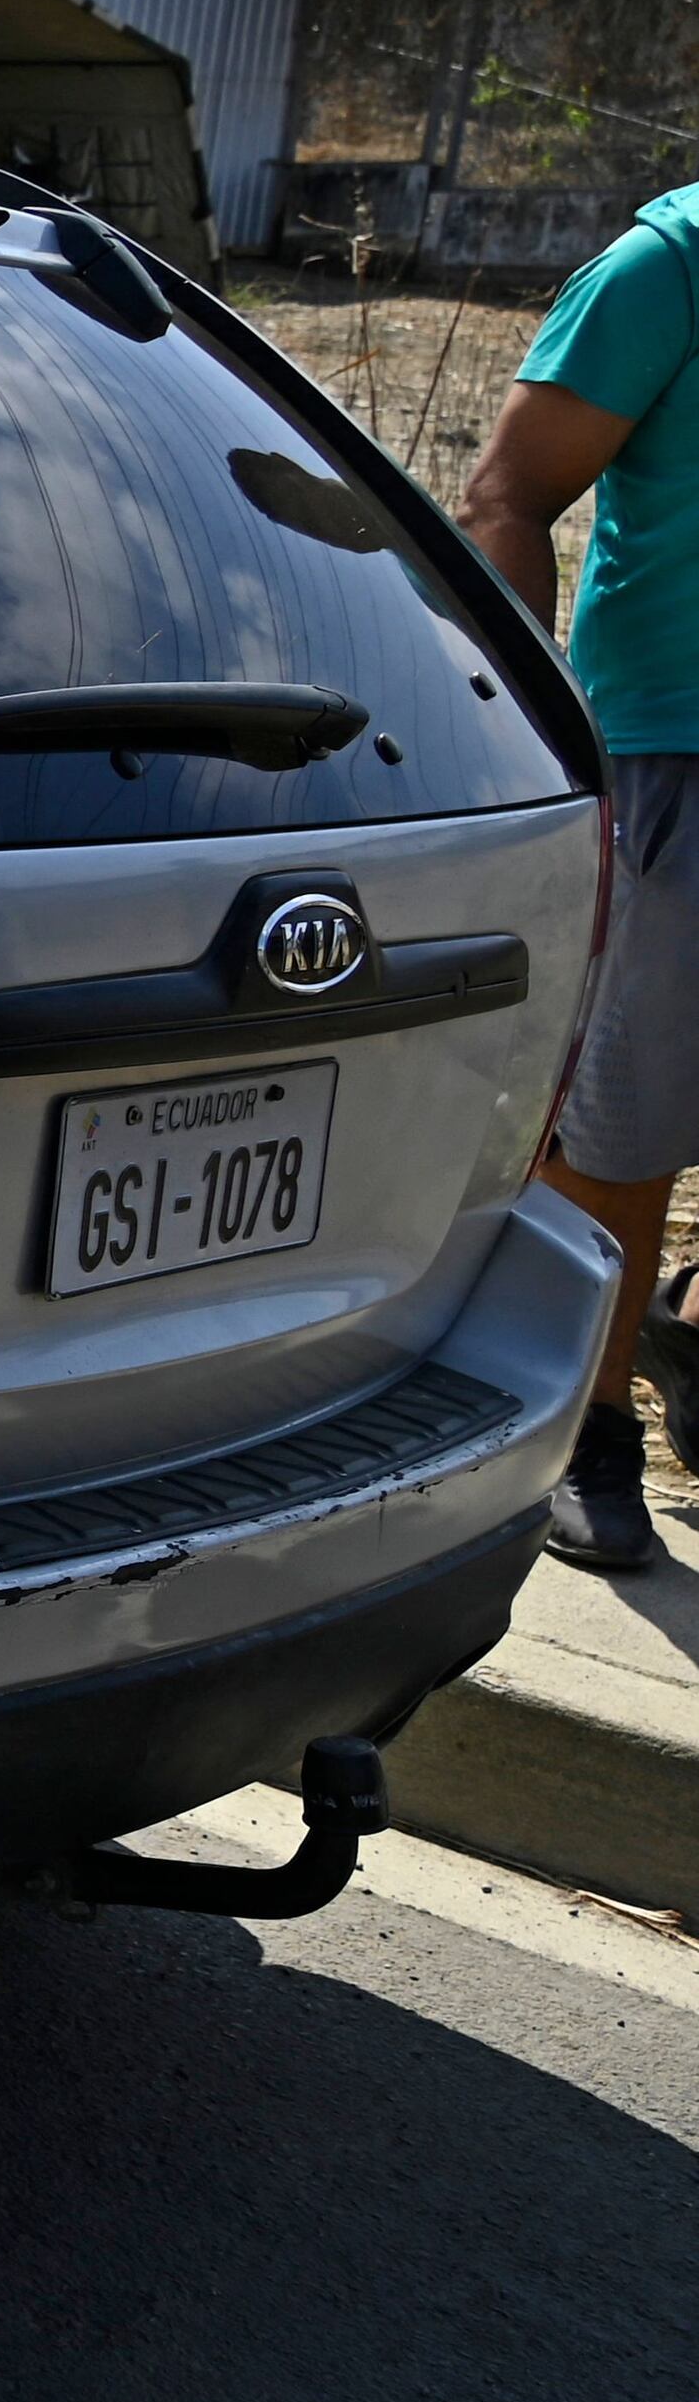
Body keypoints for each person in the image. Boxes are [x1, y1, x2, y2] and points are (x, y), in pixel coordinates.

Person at [466, 175, 699, 1570]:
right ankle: (585, 1425)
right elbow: (510, 492)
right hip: (674, 746)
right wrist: (543, 735)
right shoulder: (666, 265)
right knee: (621, 1129)